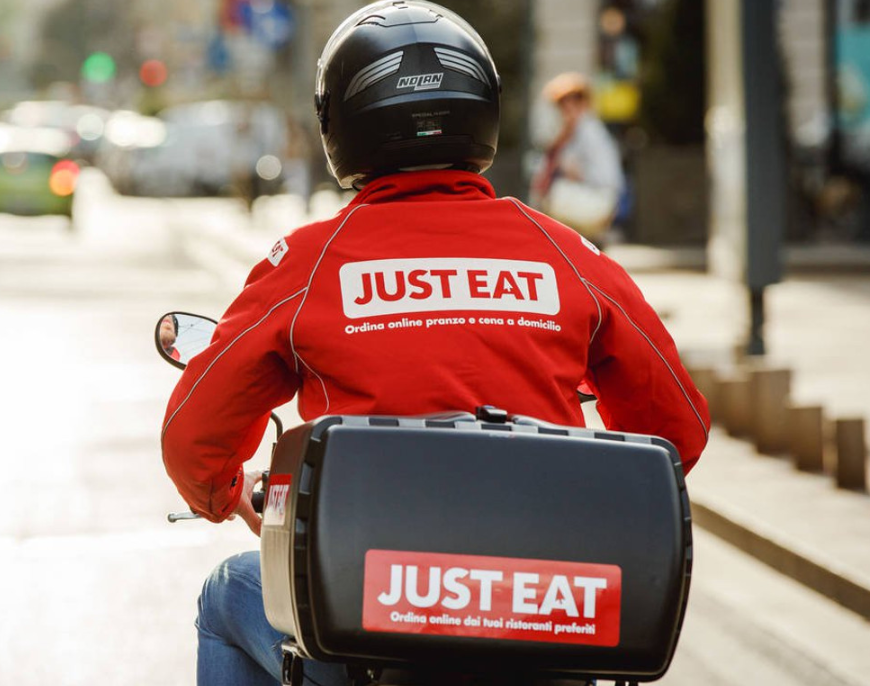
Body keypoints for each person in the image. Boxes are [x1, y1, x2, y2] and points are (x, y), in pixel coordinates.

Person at [160, 2, 709, 684]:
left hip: (372, 632)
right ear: (482, 109)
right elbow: (676, 431)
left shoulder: (307, 264)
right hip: (544, 622)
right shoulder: (564, 254)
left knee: (225, 594)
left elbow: (192, 437)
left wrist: (223, 494)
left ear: (340, 124)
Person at [529, 71, 627, 249]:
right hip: (577, 209)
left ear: (584, 103)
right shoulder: (564, 134)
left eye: (575, 101)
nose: (568, 108)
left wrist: (577, 173)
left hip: (594, 203)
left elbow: (609, 180)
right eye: (563, 103)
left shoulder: (591, 132)